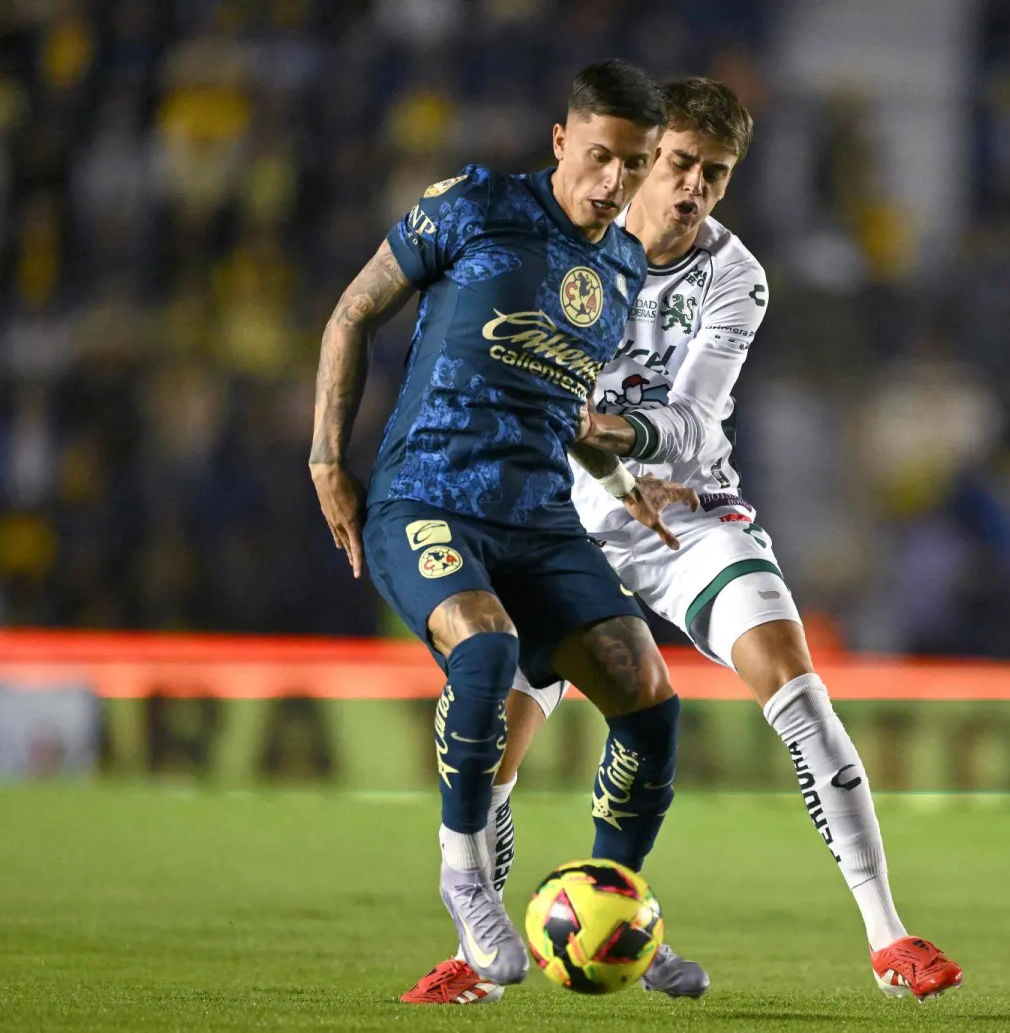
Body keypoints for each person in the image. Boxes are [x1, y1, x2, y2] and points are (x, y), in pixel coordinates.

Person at [404, 77, 964, 1005]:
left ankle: (889, 936)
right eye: (678, 164)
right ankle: (477, 952)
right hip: (561, 523)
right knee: (496, 736)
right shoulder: (568, 244)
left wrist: (617, 433)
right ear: (643, 158)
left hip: (686, 517)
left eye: (716, 172)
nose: (693, 186)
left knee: (794, 677)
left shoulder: (734, 274)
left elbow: (698, 421)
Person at [308, 60, 704, 995]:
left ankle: (619, 914)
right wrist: (328, 457)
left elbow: (560, 405)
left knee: (650, 697)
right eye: (600, 156)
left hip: (539, 517)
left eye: (635, 164)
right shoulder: (473, 204)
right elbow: (353, 311)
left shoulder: (621, 266)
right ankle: (467, 879)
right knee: (484, 651)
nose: (615, 182)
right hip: (429, 498)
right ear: (562, 142)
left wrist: (622, 477)